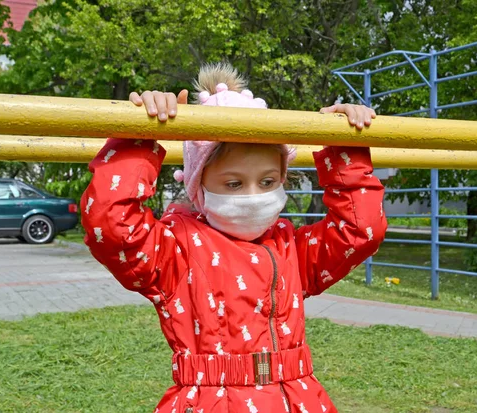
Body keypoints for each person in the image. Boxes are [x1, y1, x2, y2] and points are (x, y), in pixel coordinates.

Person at [81, 63, 387, 413]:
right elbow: (111, 224)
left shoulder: (292, 250)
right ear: (199, 186)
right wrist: (138, 135)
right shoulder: (175, 250)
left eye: (268, 182)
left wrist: (343, 143)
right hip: (211, 401)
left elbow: (360, 229)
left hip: (296, 399)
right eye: (234, 183)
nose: (253, 196)